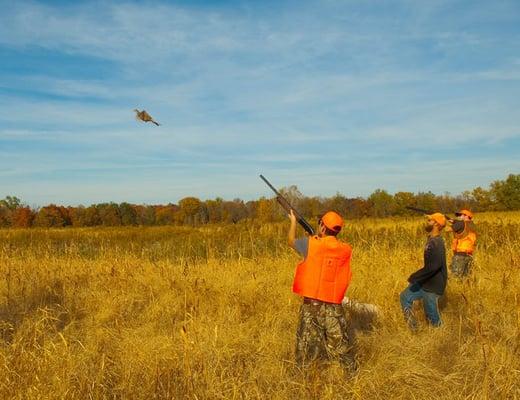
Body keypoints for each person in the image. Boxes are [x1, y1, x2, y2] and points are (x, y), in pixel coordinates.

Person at [287, 209, 356, 371]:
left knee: (305, 350)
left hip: (312, 308)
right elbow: (327, 252)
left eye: (320, 223)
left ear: (323, 227)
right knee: (341, 349)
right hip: (335, 308)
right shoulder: (345, 249)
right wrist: (315, 238)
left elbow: (291, 241)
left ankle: (303, 381)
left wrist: (292, 221)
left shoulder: (311, 244)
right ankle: (352, 378)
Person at [400, 213, 447, 330]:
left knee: (432, 316)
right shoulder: (432, 239)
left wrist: (415, 276)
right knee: (405, 297)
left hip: (433, 285)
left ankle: (440, 335)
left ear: (436, 224)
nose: (427, 222)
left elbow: (435, 266)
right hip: (425, 282)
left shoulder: (437, 243)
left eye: (429, 220)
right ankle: (413, 328)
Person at [450, 209, 477, 278]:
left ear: (466, 216)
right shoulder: (472, 225)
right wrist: (455, 222)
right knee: (466, 278)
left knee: (456, 278)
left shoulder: (461, 223)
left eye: (460, 215)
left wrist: (446, 222)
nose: (458, 217)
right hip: (469, 255)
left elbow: (447, 229)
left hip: (460, 255)